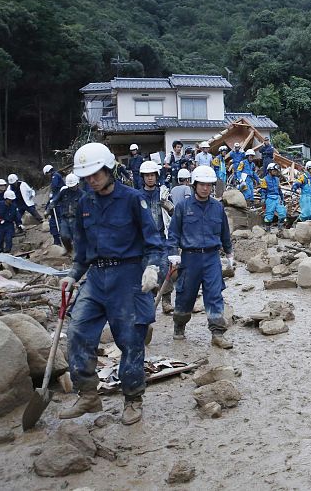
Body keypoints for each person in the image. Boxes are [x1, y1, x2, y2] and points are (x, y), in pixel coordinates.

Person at [59, 142, 164, 425]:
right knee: (78, 331)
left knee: (130, 340)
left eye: (96, 174)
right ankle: (88, 395)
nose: (91, 180)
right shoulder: (84, 203)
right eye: (87, 176)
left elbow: (154, 241)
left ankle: (132, 398)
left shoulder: (132, 199)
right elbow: (81, 249)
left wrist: (152, 266)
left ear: (109, 170)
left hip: (127, 276)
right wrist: (73, 274)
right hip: (95, 277)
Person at [166, 165, 235, 348]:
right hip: (190, 259)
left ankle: (217, 333)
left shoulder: (217, 207)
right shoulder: (182, 207)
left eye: (209, 185)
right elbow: (173, 234)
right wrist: (173, 254)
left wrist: (229, 253)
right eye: (202, 184)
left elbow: (224, 233)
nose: (205, 188)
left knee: (214, 296)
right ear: (194, 184)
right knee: (185, 295)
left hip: (212, 258)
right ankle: (179, 325)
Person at [139, 160, 173, 313]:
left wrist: (168, 205)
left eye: (152, 175)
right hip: (144, 240)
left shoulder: (163, 193)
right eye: (147, 175)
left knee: (166, 267)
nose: (150, 178)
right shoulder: (137, 196)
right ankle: (148, 302)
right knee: (147, 269)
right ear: (143, 177)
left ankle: (166, 301)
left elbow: (175, 213)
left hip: (162, 236)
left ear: (156, 176)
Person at [47, 174, 82, 253]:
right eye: (70, 186)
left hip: (76, 219)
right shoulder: (64, 192)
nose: (72, 187)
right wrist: (49, 208)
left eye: (73, 186)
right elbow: (55, 200)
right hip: (65, 218)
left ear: (77, 183)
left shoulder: (82, 194)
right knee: (64, 236)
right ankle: (68, 250)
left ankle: (78, 255)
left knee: (76, 238)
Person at [259, 163, 287, 231]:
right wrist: (263, 198)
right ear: (269, 171)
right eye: (274, 171)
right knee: (269, 215)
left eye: (276, 171)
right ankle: (268, 230)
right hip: (269, 198)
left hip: (277, 198)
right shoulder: (264, 179)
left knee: (282, 213)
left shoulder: (277, 179)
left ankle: (280, 229)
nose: (275, 172)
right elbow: (263, 190)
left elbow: (279, 190)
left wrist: (282, 199)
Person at [44, 164, 64, 246]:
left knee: (59, 220)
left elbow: (55, 187)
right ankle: (57, 241)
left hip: (59, 201)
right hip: (56, 199)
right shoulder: (56, 176)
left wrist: (53, 198)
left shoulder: (55, 176)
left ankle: (61, 241)